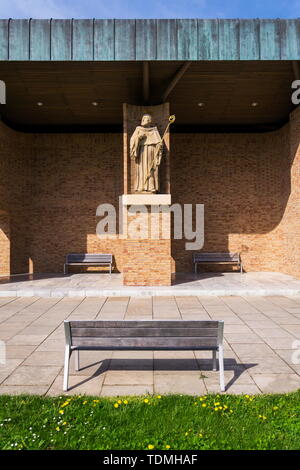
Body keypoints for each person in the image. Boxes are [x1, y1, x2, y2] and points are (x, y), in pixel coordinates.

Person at [130, 114, 163, 193]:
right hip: (141, 151)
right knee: (142, 169)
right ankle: (141, 186)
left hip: (151, 152)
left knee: (150, 168)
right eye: (146, 119)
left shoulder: (154, 130)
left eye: (149, 119)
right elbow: (132, 140)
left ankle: (151, 186)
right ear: (142, 120)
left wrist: (159, 145)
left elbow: (159, 142)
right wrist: (139, 137)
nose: (147, 120)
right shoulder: (138, 129)